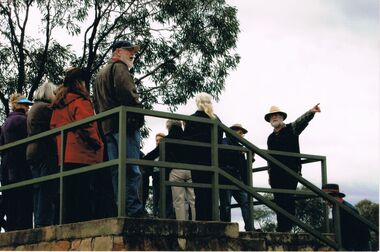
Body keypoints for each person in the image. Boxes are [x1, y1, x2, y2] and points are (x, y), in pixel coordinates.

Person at [93, 40, 146, 217]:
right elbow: (128, 94)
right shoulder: (120, 68)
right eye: (129, 50)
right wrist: (139, 115)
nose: (133, 54)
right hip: (125, 125)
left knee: (117, 170)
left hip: (108, 127)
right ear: (117, 52)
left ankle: (122, 208)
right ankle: (134, 209)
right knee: (132, 168)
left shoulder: (100, 74)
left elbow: (97, 103)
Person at [50, 67, 104, 224]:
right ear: (80, 83)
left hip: (65, 154)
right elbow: (87, 125)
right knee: (84, 194)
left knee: (69, 195)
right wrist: (97, 143)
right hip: (83, 154)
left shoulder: (59, 104)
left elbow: (53, 126)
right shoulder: (80, 101)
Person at [265, 104, 321, 232]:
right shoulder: (270, 137)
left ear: (282, 117)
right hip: (275, 175)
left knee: (288, 200)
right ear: (269, 120)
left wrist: (311, 112)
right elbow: (269, 157)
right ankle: (281, 227)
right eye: (272, 116)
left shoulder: (292, 129)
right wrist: (269, 174)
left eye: (277, 115)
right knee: (278, 201)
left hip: (290, 172)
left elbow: (301, 121)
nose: (274, 117)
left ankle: (288, 228)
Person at [183, 92, 223, 221]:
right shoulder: (215, 119)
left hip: (197, 161)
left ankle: (202, 220)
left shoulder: (192, 119)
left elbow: (187, 141)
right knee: (212, 192)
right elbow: (220, 138)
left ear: (197, 103)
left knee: (199, 193)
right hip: (213, 160)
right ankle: (213, 219)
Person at [26, 81, 58, 228]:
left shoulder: (34, 108)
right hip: (44, 150)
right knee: (46, 186)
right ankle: (43, 221)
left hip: (32, 151)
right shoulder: (46, 108)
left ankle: (39, 220)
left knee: (38, 187)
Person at [0, 94, 34, 231]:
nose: (28, 108)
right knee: (24, 197)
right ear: (19, 105)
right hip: (21, 165)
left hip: (6, 166)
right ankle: (22, 228)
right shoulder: (24, 121)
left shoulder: (5, 123)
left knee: (11, 197)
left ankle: (10, 227)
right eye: (26, 105)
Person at [219, 123, 252, 231]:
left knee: (246, 202)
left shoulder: (240, 146)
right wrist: (238, 151)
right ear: (232, 131)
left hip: (238, 179)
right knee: (226, 205)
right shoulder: (224, 141)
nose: (241, 134)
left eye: (242, 133)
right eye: (240, 132)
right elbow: (224, 153)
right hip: (226, 177)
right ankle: (226, 228)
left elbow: (242, 165)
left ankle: (250, 227)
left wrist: (250, 158)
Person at [322, 183, 370, 251]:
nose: (326, 202)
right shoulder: (337, 208)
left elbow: (359, 233)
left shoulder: (347, 209)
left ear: (334, 196)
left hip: (358, 247)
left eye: (326, 198)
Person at [167, 119, 196, 221]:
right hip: (190, 169)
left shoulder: (168, 138)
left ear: (169, 127)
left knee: (179, 200)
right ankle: (194, 222)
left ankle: (182, 224)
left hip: (176, 170)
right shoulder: (188, 137)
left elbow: (157, 152)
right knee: (192, 199)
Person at [141, 132, 166, 216]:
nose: (158, 142)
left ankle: (164, 215)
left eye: (160, 140)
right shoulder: (154, 152)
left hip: (164, 177)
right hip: (155, 177)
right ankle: (155, 215)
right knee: (155, 197)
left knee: (165, 197)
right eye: (157, 140)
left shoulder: (166, 151)